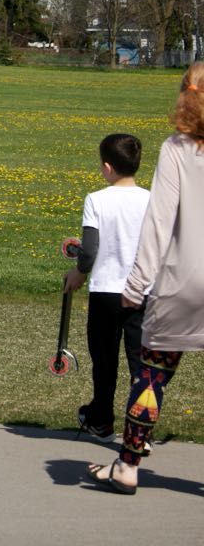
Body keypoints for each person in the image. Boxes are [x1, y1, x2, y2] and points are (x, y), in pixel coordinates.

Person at [87, 62, 204, 495]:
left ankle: (129, 464)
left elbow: (159, 224)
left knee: (151, 376)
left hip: (182, 280)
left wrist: (135, 286)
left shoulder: (177, 148)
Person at [62, 134, 150, 440]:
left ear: (108, 167)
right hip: (144, 291)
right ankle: (141, 428)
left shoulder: (96, 199)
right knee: (141, 366)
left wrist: (79, 272)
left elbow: (89, 249)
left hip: (107, 292)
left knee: (104, 360)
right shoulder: (151, 199)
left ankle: (101, 418)